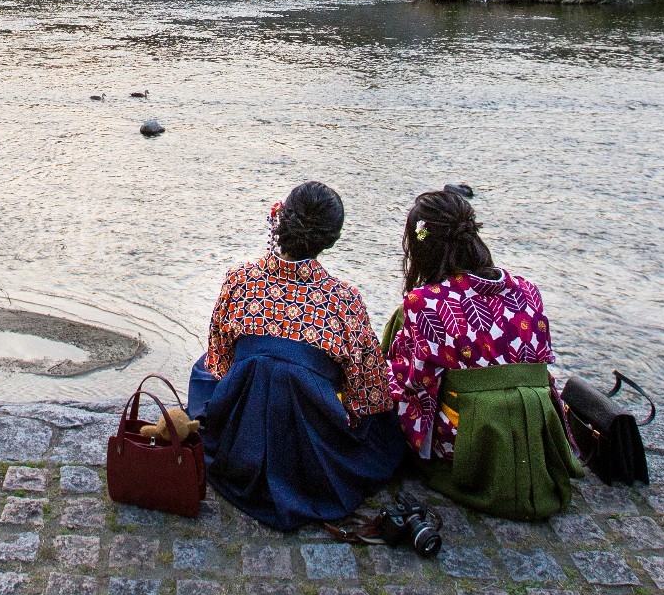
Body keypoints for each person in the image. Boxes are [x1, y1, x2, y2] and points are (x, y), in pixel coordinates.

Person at [189, 182, 406, 531]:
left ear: (281, 220)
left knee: (205, 366)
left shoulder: (238, 280)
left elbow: (220, 363)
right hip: (308, 450)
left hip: (240, 441)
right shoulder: (345, 301)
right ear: (332, 239)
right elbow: (369, 395)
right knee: (382, 423)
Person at [384, 186, 580, 521]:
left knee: (385, 381)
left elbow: (415, 386)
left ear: (421, 246)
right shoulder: (527, 290)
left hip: (469, 447)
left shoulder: (425, 302)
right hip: (529, 434)